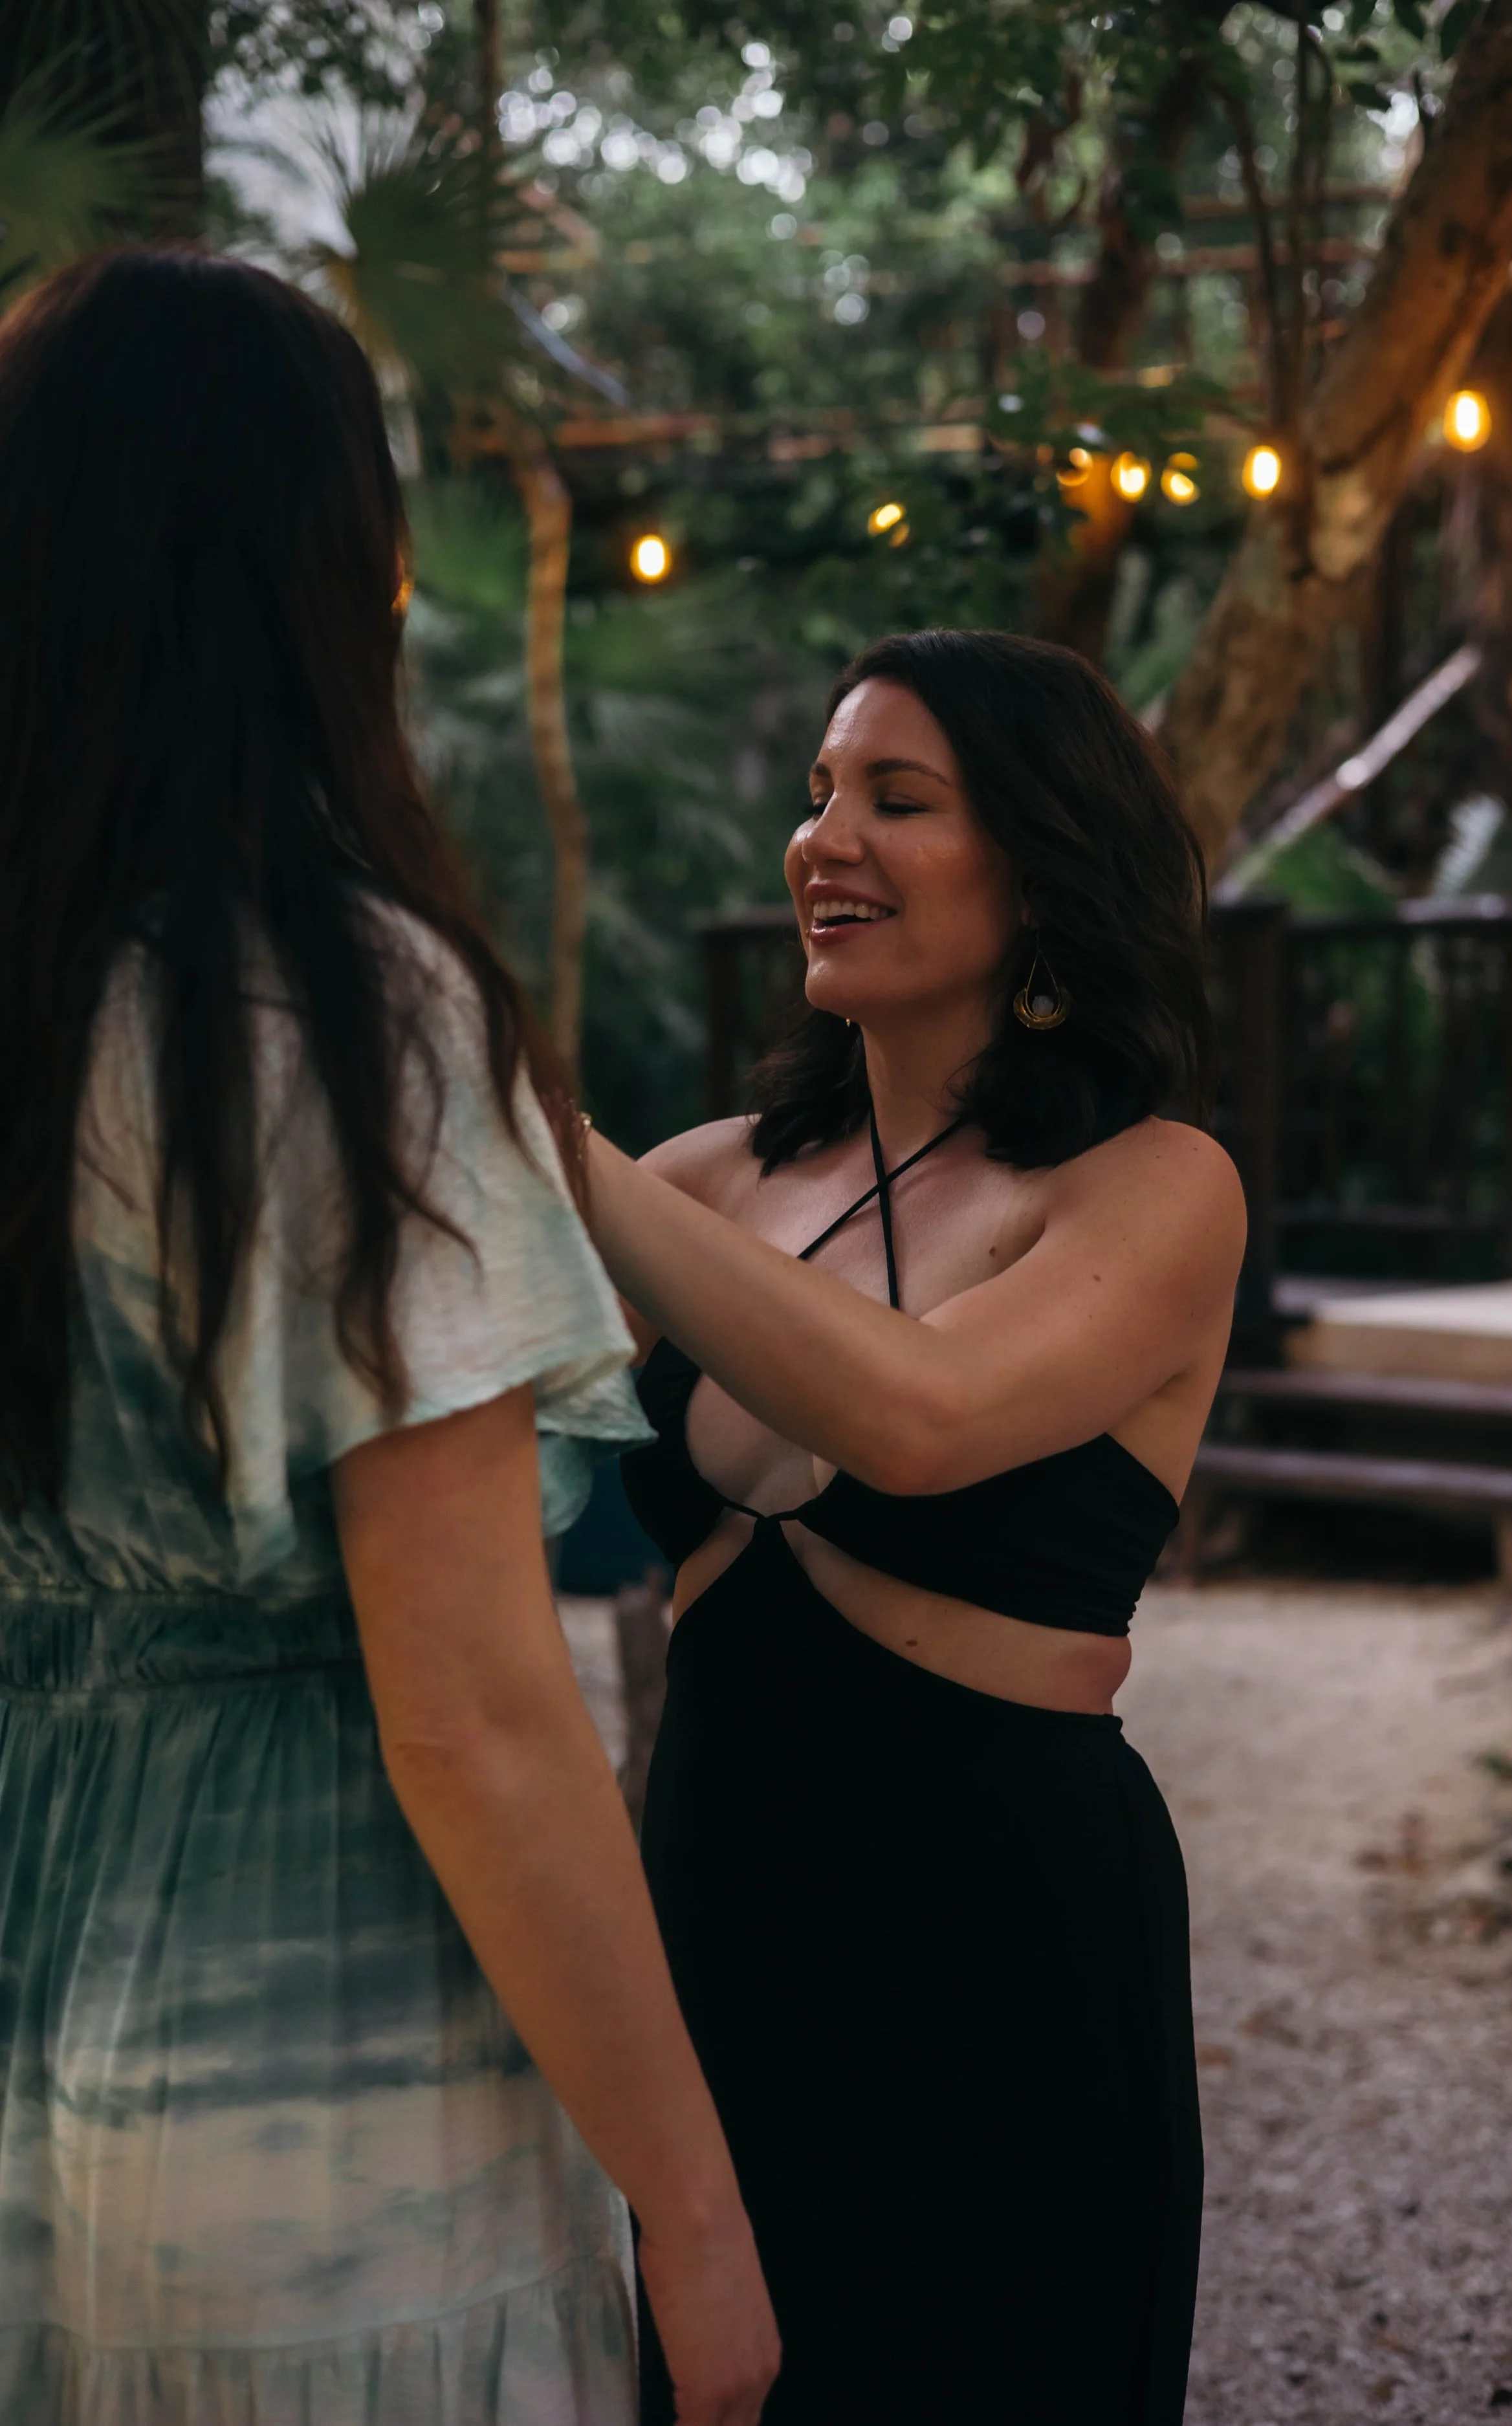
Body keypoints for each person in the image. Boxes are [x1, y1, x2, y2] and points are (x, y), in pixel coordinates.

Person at [0, 249, 776, 2426]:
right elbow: (477, 1716)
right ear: (324, 572)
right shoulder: (338, 1014)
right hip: (309, 2059)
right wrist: (694, 2208)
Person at [587, 630, 1247, 2425]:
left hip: (1006, 1934)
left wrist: (548, 1145)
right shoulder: (706, 1179)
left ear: (1041, 860)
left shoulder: (1150, 1185)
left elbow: (916, 1416)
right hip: (713, 1900)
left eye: (898, 797)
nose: (827, 839)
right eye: (819, 794)